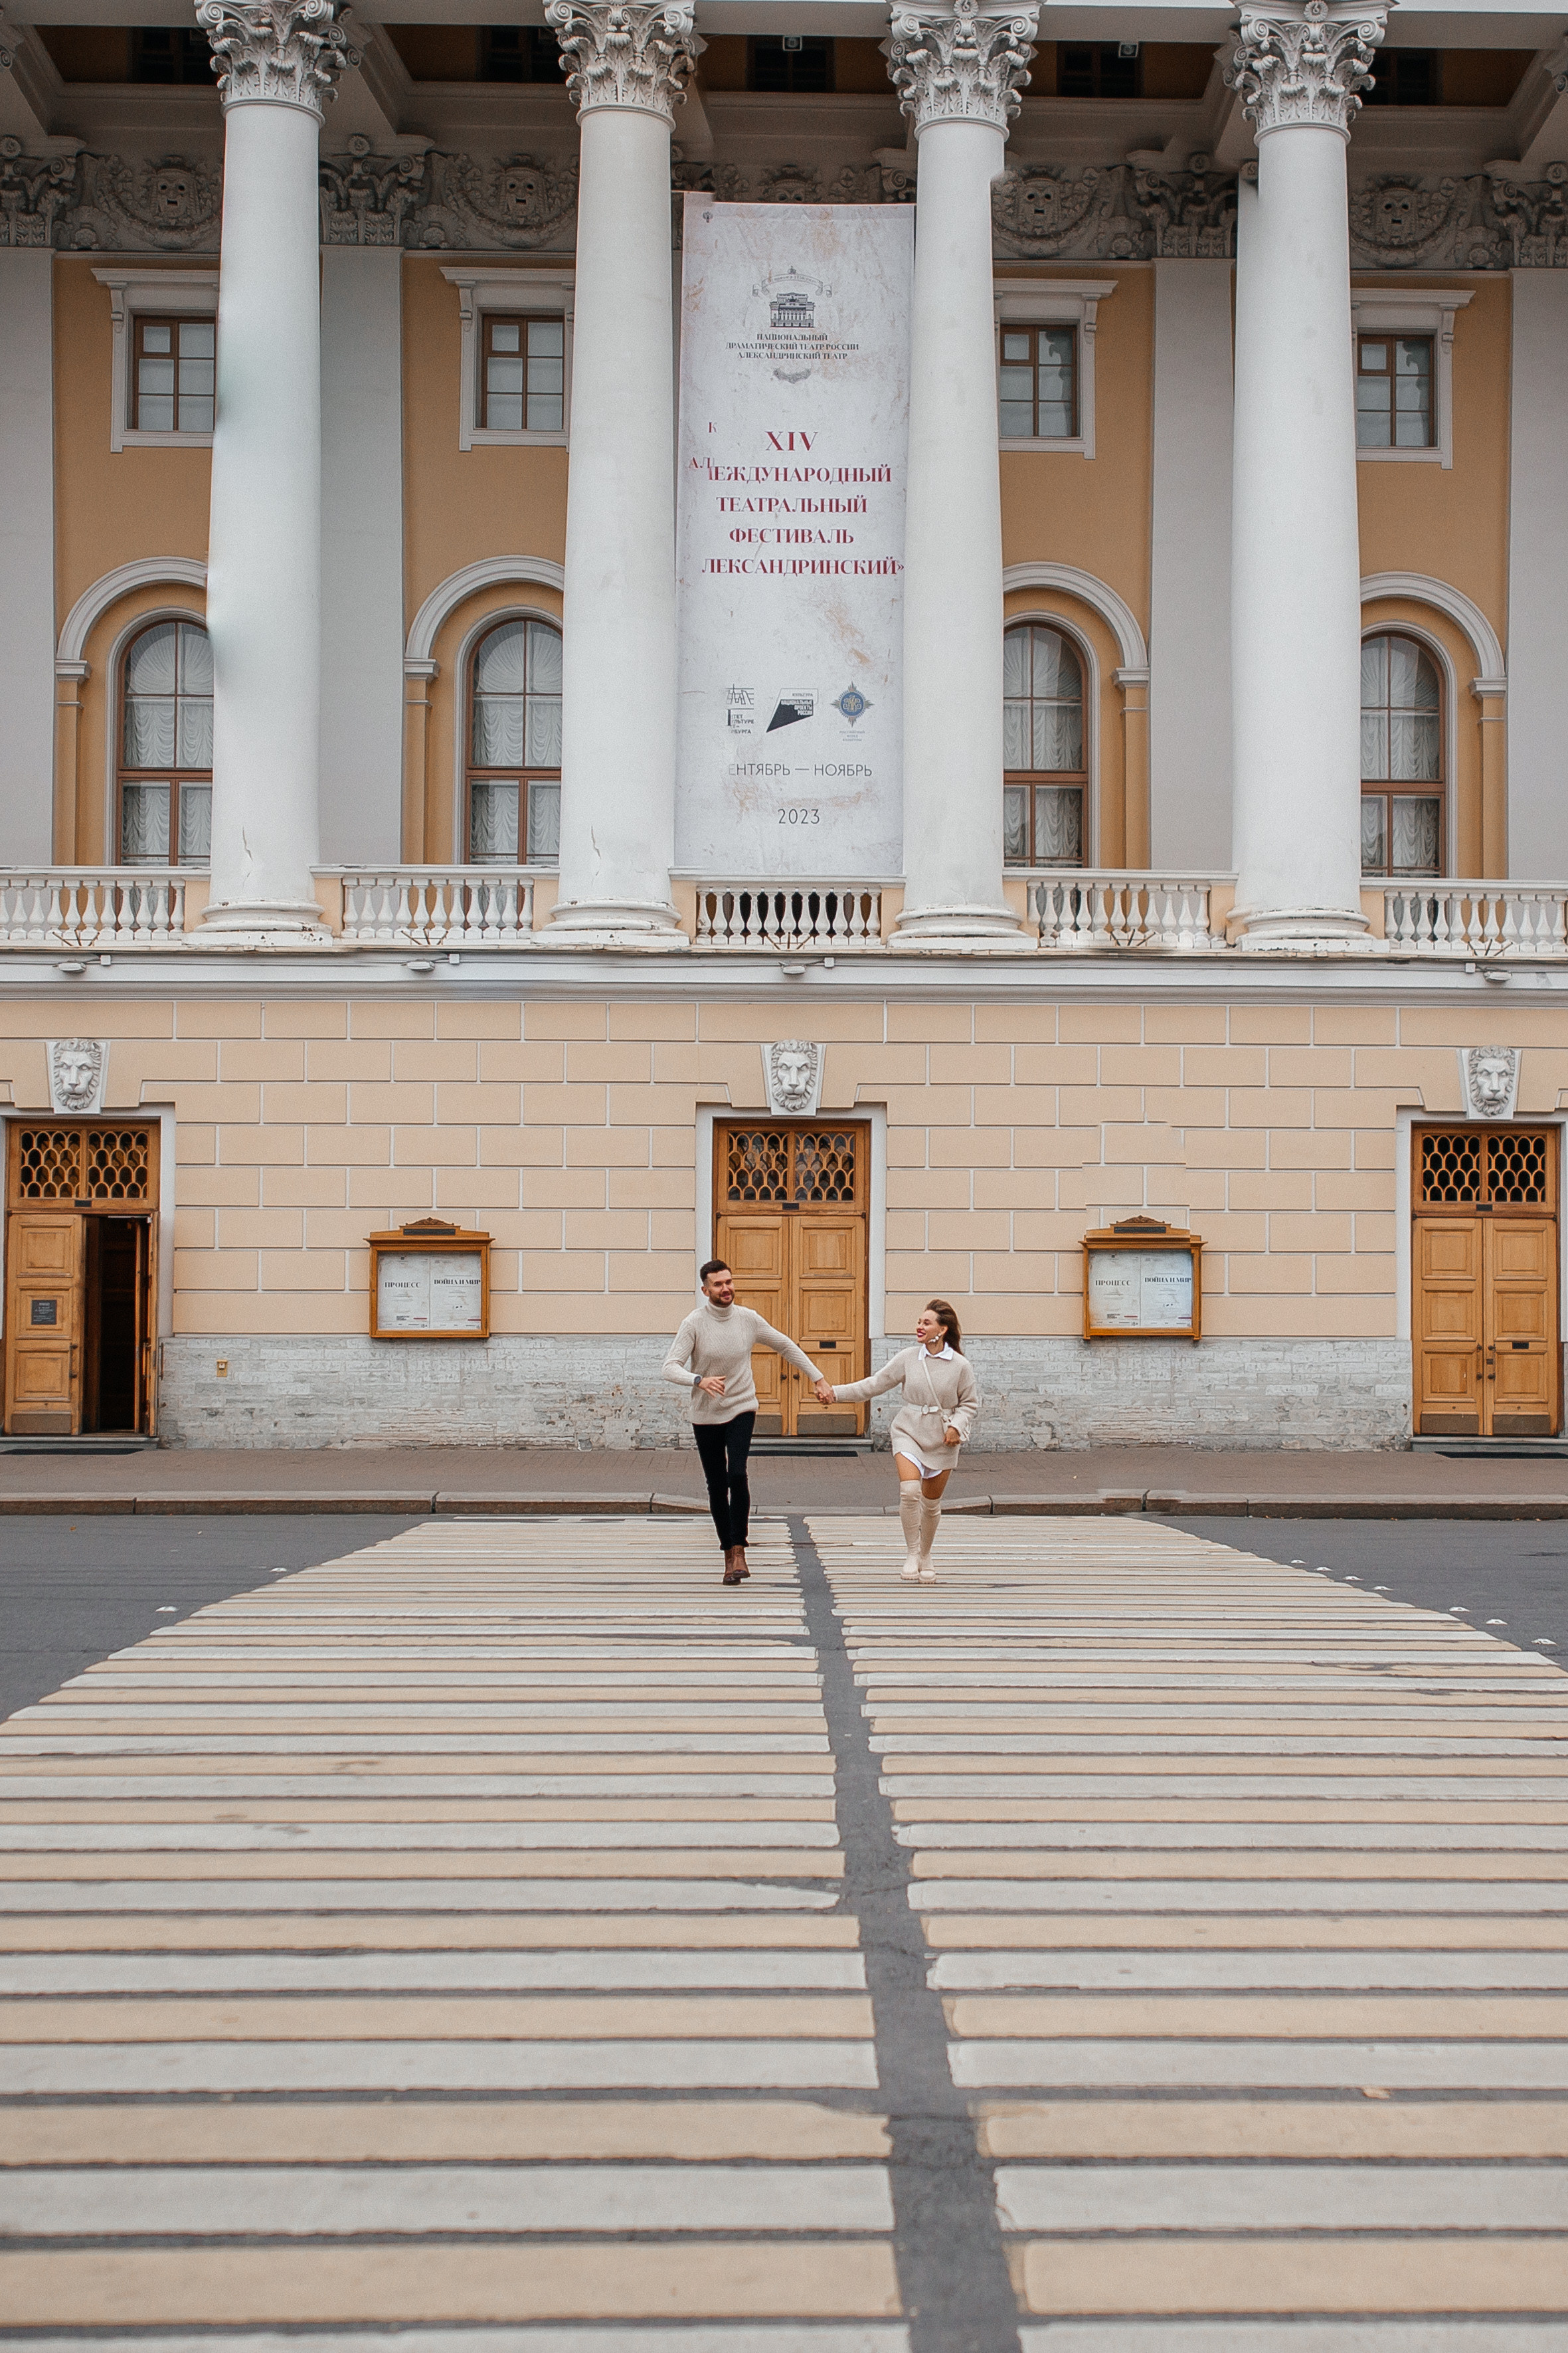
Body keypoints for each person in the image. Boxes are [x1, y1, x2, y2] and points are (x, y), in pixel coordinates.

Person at [664, 1259, 828, 1585]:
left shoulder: (747, 1319)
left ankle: (739, 1549)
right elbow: (670, 1366)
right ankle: (728, 1553)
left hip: (741, 1406)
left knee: (736, 1474)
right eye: (718, 1284)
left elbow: (784, 1344)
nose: (726, 1289)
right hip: (706, 1413)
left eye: (729, 1282)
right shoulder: (694, 1323)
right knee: (715, 1483)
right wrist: (699, 1380)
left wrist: (818, 1378)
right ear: (705, 1289)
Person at [814, 1299, 979, 1583]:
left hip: (943, 1438)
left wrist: (957, 1426)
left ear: (943, 1329)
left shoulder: (960, 1365)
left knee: (931, 1503)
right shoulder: (907, 1358)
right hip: (909, 1430)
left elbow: (970, 1404)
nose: (919, 1326)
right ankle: (912, 1553)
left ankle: (926, 1555)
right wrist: (835, 1394)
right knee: (910, 1491)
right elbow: (874, 1384)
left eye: (926, 1323)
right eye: (919, 1322)